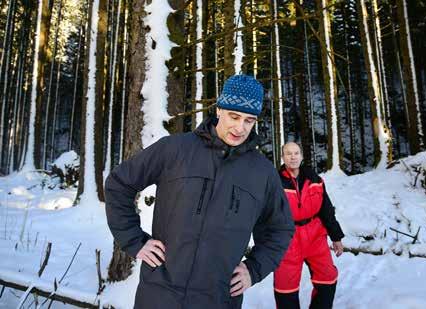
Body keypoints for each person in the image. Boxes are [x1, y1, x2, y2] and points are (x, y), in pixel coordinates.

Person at [105, 75, 294, 309]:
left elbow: (280, 228)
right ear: (219, 110)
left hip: (217, 298)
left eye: (249, 120)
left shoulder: (262, 173)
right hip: (160, 294)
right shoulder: (175, 149)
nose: (240, 127)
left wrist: (254, 270)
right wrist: (134, 240)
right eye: (234, 116)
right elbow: (119, 184)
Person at [274, 142, 344, 309]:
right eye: (288, 153)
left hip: (315, 236)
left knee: (328, 277)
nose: (292, 156)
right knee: (285, 286)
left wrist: (336, 237)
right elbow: (265, 215)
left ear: (302, 156)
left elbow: (326, 210)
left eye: (296, 153)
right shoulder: (274, 182)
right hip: (288, 238)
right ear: (282, 157)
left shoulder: (315, 180)